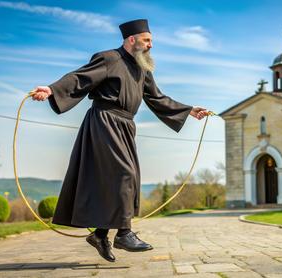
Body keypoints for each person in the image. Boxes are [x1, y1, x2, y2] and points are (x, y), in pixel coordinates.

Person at [31, 19, 208, 262]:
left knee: (127, 178)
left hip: (125, 125)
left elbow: (156, 97)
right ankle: (124, 233)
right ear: (131, 39)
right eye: (147, 40)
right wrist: (51, 89)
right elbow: (80, 78)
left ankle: (100, 235)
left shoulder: (142, 68)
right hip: (104, 121)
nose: (151, 45)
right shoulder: (108, 59)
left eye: (152, 41)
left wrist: (188, 110)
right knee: (124, 173)